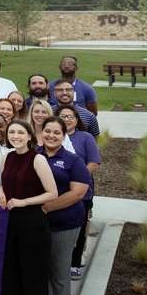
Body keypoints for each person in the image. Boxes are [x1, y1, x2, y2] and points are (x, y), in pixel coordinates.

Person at [0, 119, 59, 295]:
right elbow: (3, 182)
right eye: (12, 132)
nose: (15, 136)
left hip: (33, 222)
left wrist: (23, 202)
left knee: (34, 273)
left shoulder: (38, 159)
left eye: (20, 132)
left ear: (30, 136)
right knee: (16, 272)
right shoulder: (7, 157)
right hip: (12, 223)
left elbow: (52, 193)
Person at [38, 116, 91, 295]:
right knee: (39, 264)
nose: (51, 135)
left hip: (64, 222)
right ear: (41, 133)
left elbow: (78, 192)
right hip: (35, 223)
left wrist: (46, 207)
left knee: (59, 264)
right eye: (47, 131)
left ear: (64, 135)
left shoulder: (72, 160)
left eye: (56, 132)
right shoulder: (34, 155)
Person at [58, 106, 100, 278]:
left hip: (81, 192)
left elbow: (94, 162)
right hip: (57, 192)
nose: (67, 119)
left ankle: (74, 263)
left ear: (76, 120)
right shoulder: (52, 135)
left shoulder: (85, 137)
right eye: (63, 116)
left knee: (79, 227)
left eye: (70, 116)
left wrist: (76, 179)